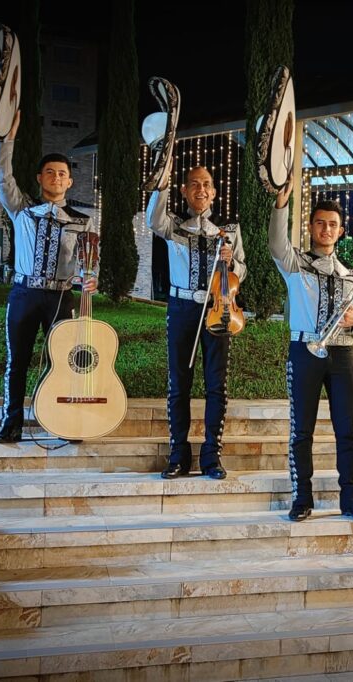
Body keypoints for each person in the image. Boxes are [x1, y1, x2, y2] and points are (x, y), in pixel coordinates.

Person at [269, 176, 353, 523]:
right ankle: (302, 498)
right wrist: (281, 205)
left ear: (341, 231)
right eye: (320, 223)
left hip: (343, 355)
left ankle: (350, 499)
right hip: (304, 350)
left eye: (333, 225)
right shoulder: (296, 264)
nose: (326, 229)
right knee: (302, 430)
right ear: (311, 227)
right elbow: (275, 243)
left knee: (349, 430)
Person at [0, 111, 98, 443]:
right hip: (25, 293)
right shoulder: (22, 209)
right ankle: (12, 423)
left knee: (66, 363)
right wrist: (7, 138)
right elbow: (1, 176)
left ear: (70, 181)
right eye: (49, 172)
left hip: (61, 297)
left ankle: (65, 422)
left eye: (62, 173)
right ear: (40, 178)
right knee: (18, 360)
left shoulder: (83, 220)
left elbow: (89, 262)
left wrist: (90, 277)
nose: (56, 177)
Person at [146, 166, 246, 479]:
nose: (200, 190)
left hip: (219, 309)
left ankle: (211, 456)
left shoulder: (228, 229)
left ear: (214, 192)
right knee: (179, 385)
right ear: (184, 191)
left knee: (217, 386)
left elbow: (241, 270)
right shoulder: (173, 225)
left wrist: (232, 263)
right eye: (193, 185)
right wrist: (162, 181)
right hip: (182, 307)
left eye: (206, 185)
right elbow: (152, 218)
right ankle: (178, 454)